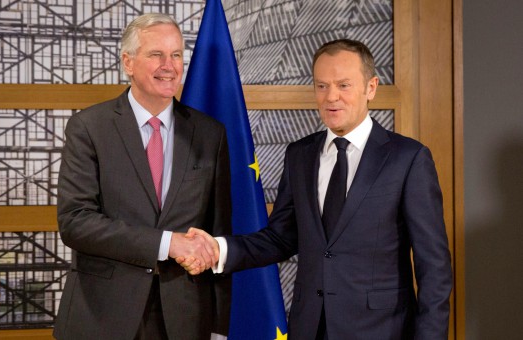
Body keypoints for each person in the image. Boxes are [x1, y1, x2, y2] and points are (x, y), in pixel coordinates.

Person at [180, 39, 452, 339]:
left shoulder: (408, 158)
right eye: (322, 86)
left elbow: (434, 268)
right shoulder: (300, 154)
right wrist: (220, 249)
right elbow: (281, 238)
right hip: (309, 328)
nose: (331, 97)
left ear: (371, 88)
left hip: (382, 331)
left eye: (344, 85)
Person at [53, 13, 232, 340]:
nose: (170, 65)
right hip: (102, 316)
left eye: (176, 54)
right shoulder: (89, 128)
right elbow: (75, 221)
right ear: (128, 62)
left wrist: (218, 328)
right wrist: (168, 243)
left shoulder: (210, 134)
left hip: (185, 319)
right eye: (156, 55)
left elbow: (217, 232)